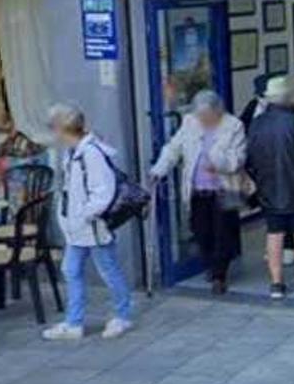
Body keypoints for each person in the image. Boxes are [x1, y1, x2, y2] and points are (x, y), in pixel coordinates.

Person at [41, 103, 133, 341]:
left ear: (64, 128)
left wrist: (84, 213)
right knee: (71, 270)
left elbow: (103, 192)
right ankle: (74, 322)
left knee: (108, 270)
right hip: (77, 228)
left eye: (54, 128)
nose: (53, 133)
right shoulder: (73, 152)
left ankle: (122, 316)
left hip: (92, 227)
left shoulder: (90, 153)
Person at [150, 90, 247, 294]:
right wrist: (159, 170)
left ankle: (220, 274)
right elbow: (173, 148)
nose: (203, 119)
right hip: (198, 188)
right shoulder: (190, 123)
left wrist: (217, 161)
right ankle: (211, 264)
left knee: (223, 232)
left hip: (224, 188)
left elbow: (238, 158)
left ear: (217, 111)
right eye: (200, 115)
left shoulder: (233, 125)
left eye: (207, 115)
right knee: (201, 230)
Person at [245, 77, 294, 299]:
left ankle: (276, 284)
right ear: (289, 99)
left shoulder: (257, 124)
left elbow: (249, 157)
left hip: (268, 188)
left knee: (274, 234)